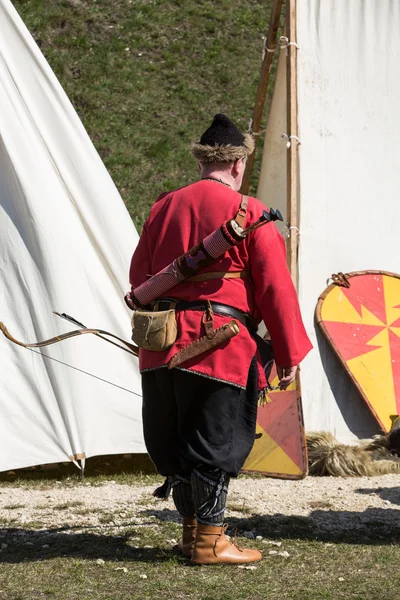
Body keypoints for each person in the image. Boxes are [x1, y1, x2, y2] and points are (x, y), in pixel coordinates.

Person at [129, 114, 312, 565]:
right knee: (214, 437)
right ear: (240, 163)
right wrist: (287, 353)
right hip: (220, 344)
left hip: (162, 344)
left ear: (202, 162)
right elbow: (274, 288)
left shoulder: (162, 207)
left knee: (175, 439)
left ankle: (193, 536)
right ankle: (210, 542)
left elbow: (140, 279)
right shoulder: (249, 213)